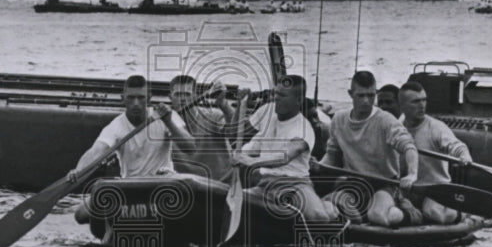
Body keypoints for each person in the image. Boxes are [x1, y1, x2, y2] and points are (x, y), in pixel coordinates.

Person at [73, 75, 196, 223]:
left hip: (162, 182)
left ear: (149, 98)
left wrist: (169, 122)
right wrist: (78, 171)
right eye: (131, 98)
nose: (136, 103)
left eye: (141, 98)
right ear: (122, 99)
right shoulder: (115, 127)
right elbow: (96, 151)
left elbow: (190, 147)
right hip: (131, 187)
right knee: (81, 214)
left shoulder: (167, 116)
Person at [318, 71, 422, 227]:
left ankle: (410, 213)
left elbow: (409, 147)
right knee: (325, 209)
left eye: (371, 95)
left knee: (378, 216)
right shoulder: (339, 119)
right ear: (350, 94)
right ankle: (356, 217)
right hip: (354, 184)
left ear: (376, 93)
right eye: (361, 96)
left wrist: (412, 174)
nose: (366, 101)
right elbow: (332, 155)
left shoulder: (385, 120)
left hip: (384, 183)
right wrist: (318, 165)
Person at [232, 74, 337, 224]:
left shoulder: (303, 128)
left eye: (282, 95)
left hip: (295, 184)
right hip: (265, 185)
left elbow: (284, 157)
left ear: (298, 100)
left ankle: (327, 206)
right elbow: (234, 132)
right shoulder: (267, 111)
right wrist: (240, 104)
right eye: (276, 93)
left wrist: (249, 161)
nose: (276, 98)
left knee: (319, 218)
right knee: (232, 204)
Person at [398, 80, 473, 224]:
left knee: (435, 213)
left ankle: (462, 214)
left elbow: (456, 146)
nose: (422, 105)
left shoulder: (436, 127)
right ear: (402, 106)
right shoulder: (396, 129)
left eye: (424, 100)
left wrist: (464, 156)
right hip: (407, 191)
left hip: (435, 190)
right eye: (415, 102)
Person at [169, 74, 234, 182]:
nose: (183, 99)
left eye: (187, 94)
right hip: (184, 186)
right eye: (178, 95)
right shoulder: (166, 123)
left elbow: (236, 133)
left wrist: (224, 105)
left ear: (195, 96)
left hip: (219, 185)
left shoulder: (214, 116)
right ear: (170, 97)